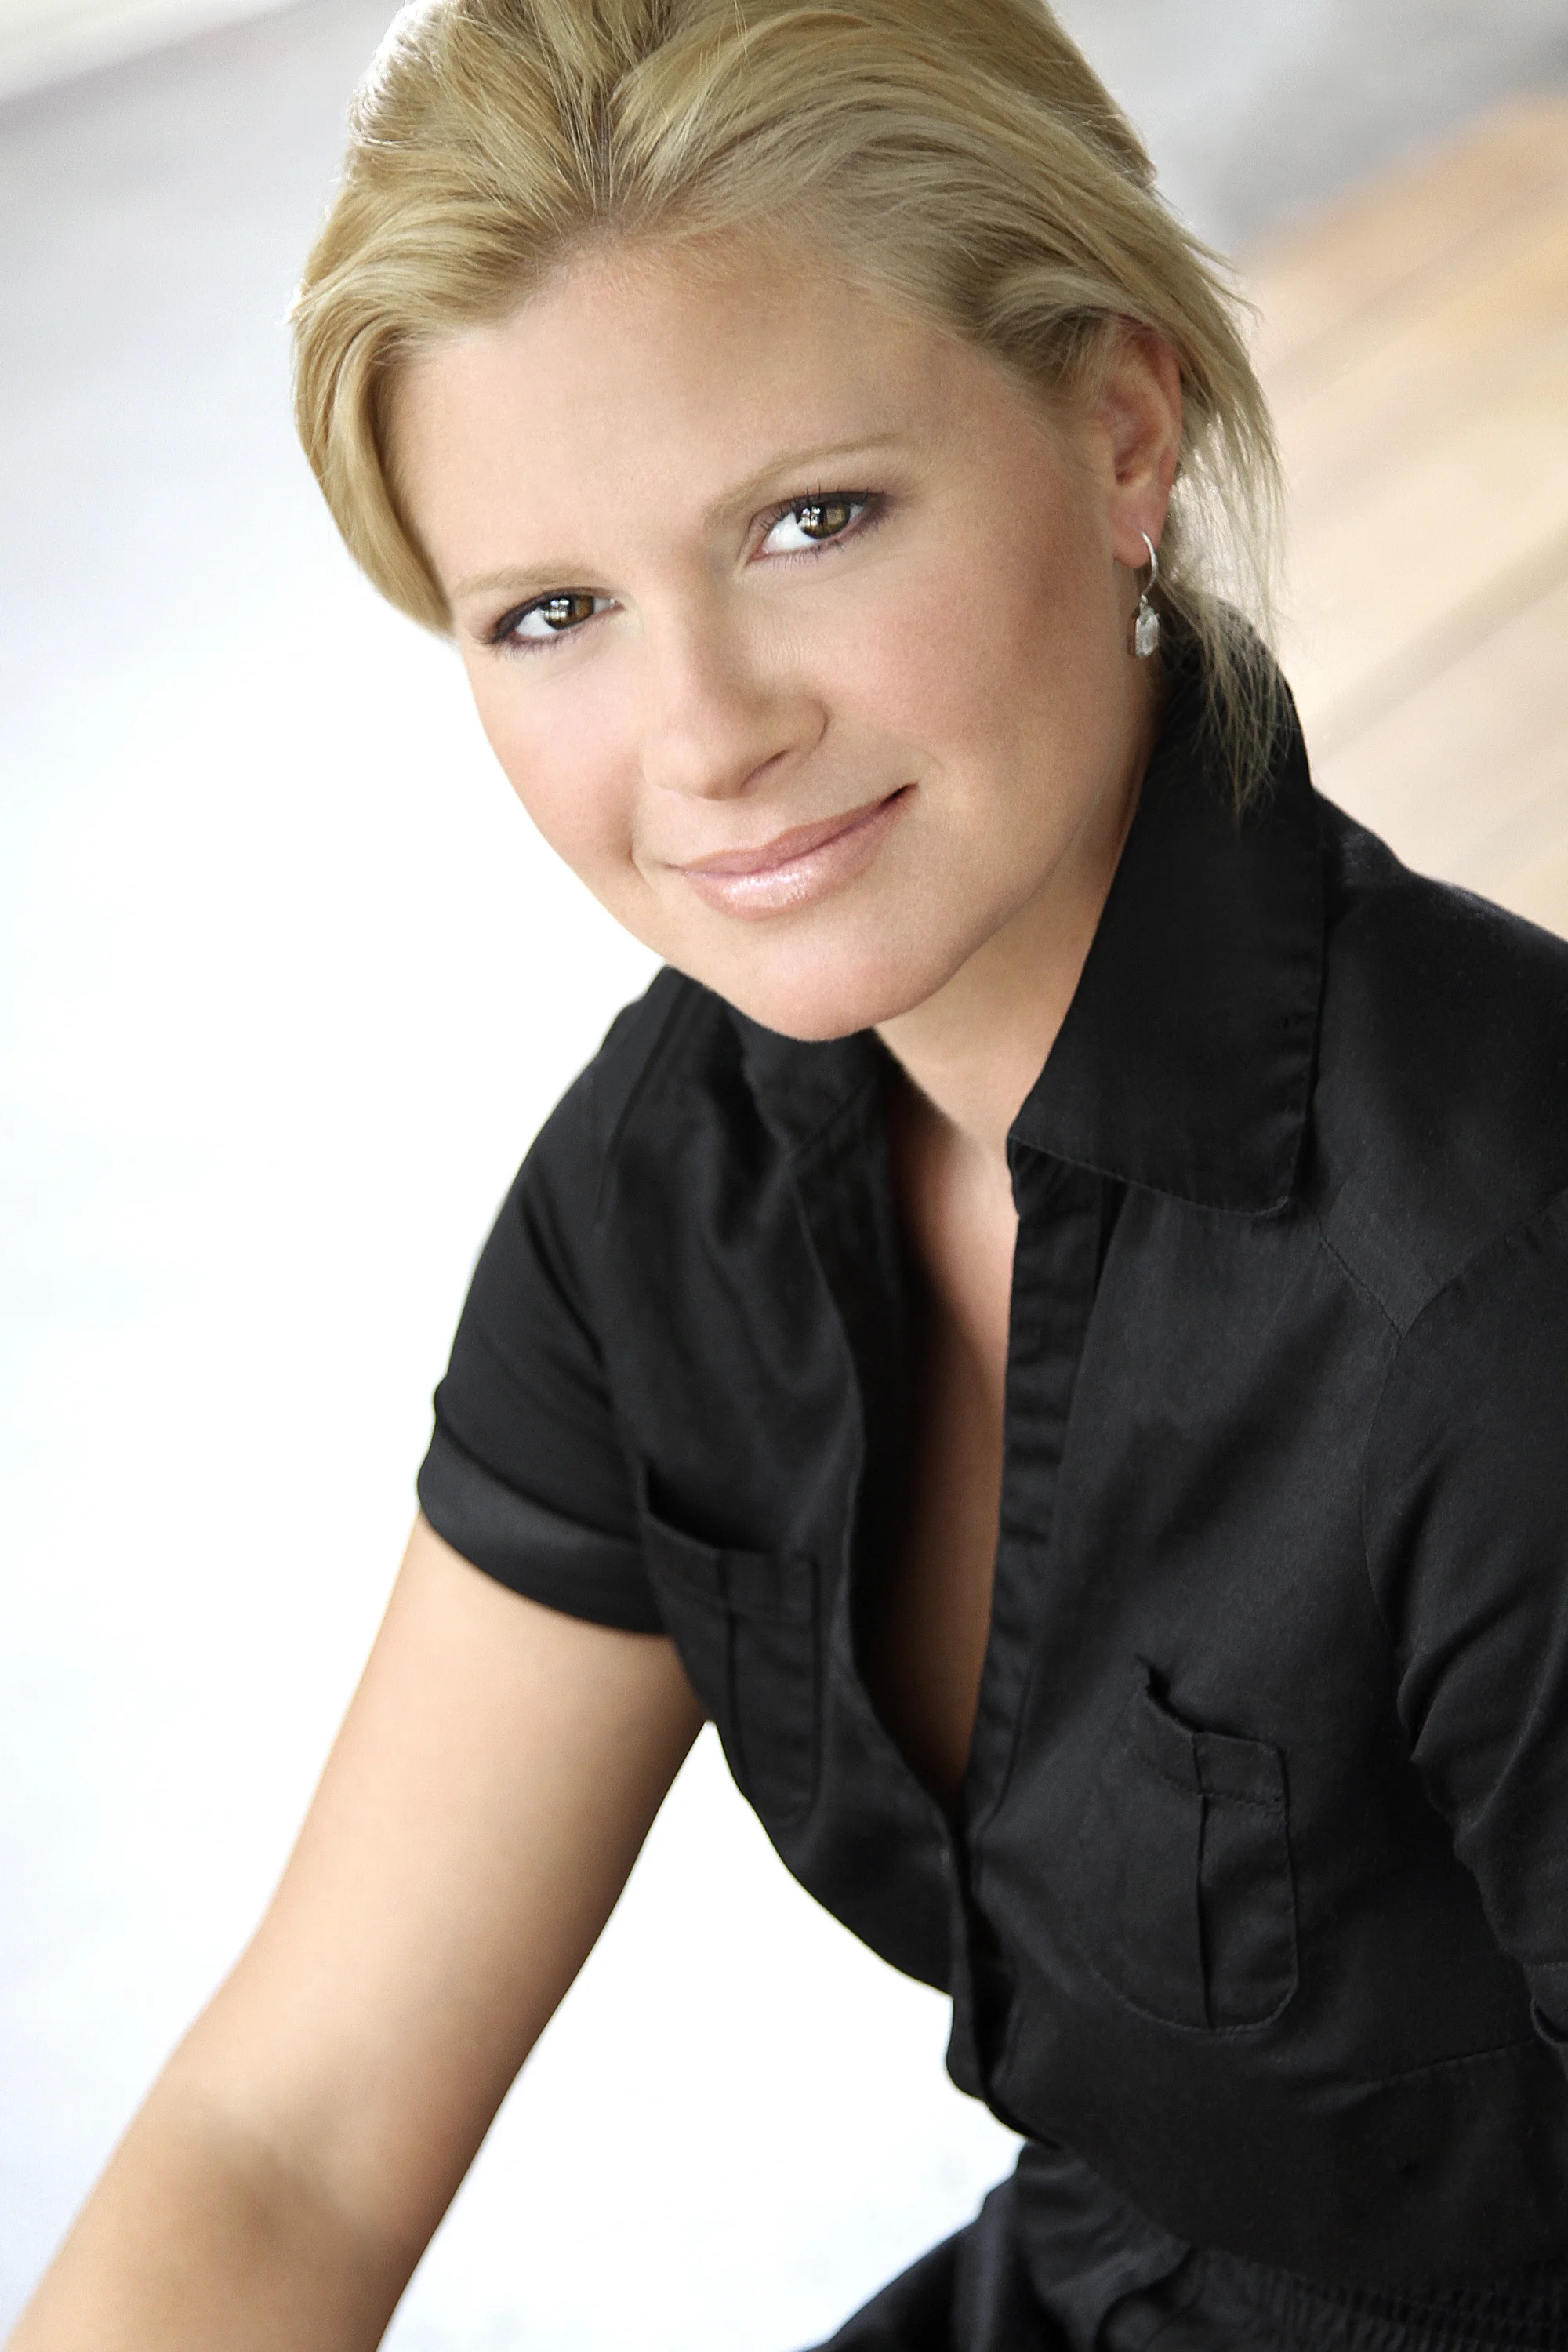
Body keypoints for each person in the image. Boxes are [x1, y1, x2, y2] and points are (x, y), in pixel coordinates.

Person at [11, 0, 1568, 2344]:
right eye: (552, 614)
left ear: (1120, 429)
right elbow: (293, 2134)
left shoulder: (1496, 1288)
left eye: (812, 520)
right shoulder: (669, 1187)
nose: (706, 735)